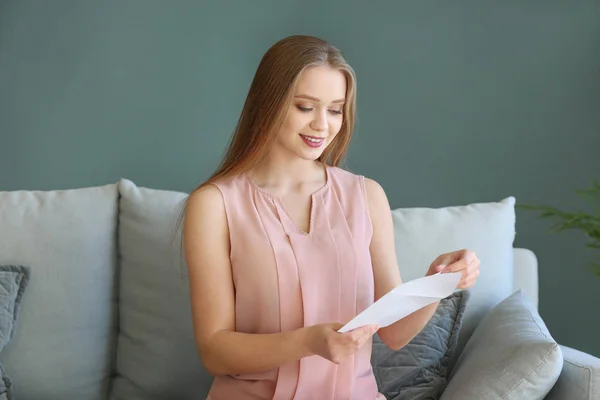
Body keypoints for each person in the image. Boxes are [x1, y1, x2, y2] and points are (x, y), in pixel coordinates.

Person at [182, 35, 481, 400]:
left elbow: (394, 333)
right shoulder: (213, 204)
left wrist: (438, 283)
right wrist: (307, 341)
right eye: (305, 107)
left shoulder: (366, 196)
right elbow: (214, 351)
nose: (322, 125)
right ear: (268, 104)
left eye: (335, 109)